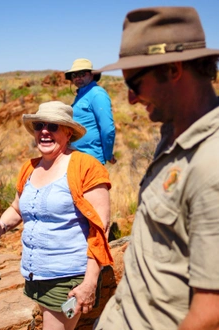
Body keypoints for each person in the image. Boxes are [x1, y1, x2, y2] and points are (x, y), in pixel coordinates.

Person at [94, 6, 219, 330]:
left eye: (135, 83)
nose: (131, 99)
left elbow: (210, 314)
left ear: (174, 69)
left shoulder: (212, 163)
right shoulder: (175, 133)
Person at [0, 101, 113, 330]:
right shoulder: (30, 167)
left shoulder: (85, 167)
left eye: (53, 126)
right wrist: (1, 226)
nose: (44, 131)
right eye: (39, 125)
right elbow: (17, 208)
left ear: (68, 132)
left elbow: (100, 228)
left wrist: (89, 282)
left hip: (69, 276)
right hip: (37, 274)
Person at [65, 58, 116, 165]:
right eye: (74, 75)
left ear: (92, 75)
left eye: (82, 74)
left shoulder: (97, 94)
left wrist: (108, 154)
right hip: (76, 157)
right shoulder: (82, 95)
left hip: (90, 158)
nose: (78, 78)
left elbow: (107, 129)